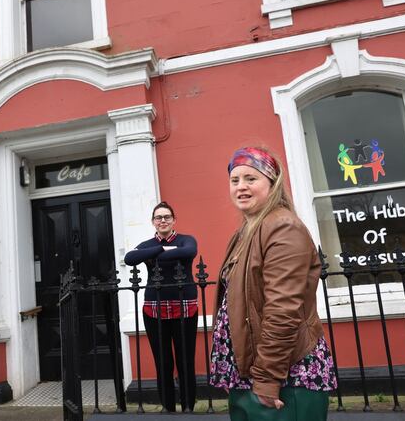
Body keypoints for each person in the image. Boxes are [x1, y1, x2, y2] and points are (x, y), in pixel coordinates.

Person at [209, 147, 336, 421]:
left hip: (285, 377)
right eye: (235, 180)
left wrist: (267, 378)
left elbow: (283, 310)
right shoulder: (246, 232)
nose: (241, 186)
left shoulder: (283, 227)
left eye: (251, 179)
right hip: (250, 375)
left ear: (272, 182)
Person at [124, 201, 198, 412]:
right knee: (163, 363)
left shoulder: (186, 240)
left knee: (185, 362)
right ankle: (168, 409)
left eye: (167, 217)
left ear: (174, 220)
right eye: (159, 217)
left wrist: (153, 253)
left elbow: (189, 252)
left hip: (185, 307)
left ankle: (188, 408)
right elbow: (130, 259)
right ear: (153, 222)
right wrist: (161, 247)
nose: (163, 220)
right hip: (154, 310)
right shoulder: (150, 244)